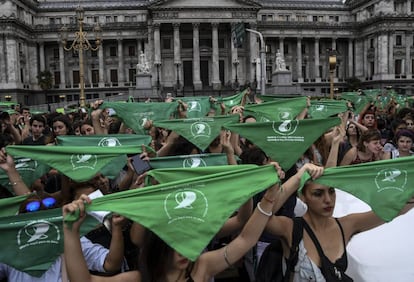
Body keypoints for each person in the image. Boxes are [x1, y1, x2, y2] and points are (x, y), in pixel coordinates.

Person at [62, 164, 295, 282]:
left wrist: (268, 196)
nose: (186, 251)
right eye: (176, 244)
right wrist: (71, 232)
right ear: (160, 245)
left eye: (189, 241)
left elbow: (246, 238)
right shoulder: (139, 279)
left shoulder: (202, 267)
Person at [265, 170, 414, 281]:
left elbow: (394, 210)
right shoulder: (290, 228)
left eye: (331, 191)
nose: (328, 200)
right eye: (318, 194)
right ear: (303, 197)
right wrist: (297, 178)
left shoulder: (346, 225)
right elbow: (262, 217)